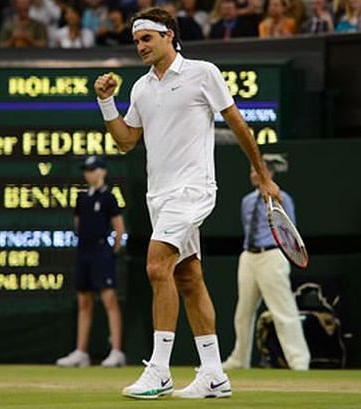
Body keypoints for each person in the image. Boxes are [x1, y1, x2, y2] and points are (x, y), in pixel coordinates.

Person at [93, 6, 281, 399]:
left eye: (146, 38)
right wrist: (107, 102)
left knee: (156, 264)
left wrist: (262, 174)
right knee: (188, 278)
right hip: (158, 196)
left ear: (168, 36)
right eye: (136, 41)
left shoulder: (203, 73)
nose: (140, 46)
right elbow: (126, 141)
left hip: (193, 190)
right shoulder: (141, 88)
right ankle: (214, 374)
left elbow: (238, 123)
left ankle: (160, 370)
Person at [222, 159, 311, 371]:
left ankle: (299, 361)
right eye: (251, 169)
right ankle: (239, 359)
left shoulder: (282, 198)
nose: (252, 173)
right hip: (249, 257)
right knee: (242, 313)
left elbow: (289, 230)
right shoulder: (246, 201)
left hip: (272, 255)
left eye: (257, 170)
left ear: (269, 173)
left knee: (283, 310)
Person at [56, 156, 126, 368]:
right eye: (87, 170)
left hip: (101, 253)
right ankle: (81, 352)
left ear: (103, 172)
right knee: (84, 303)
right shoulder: (82, 199)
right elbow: (78, 225)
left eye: (94, 169)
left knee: (109, 301)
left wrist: (111, 253)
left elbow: (119, 229)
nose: (89, 174)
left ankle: (116, 351)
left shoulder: (109, 198)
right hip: (83, 253)